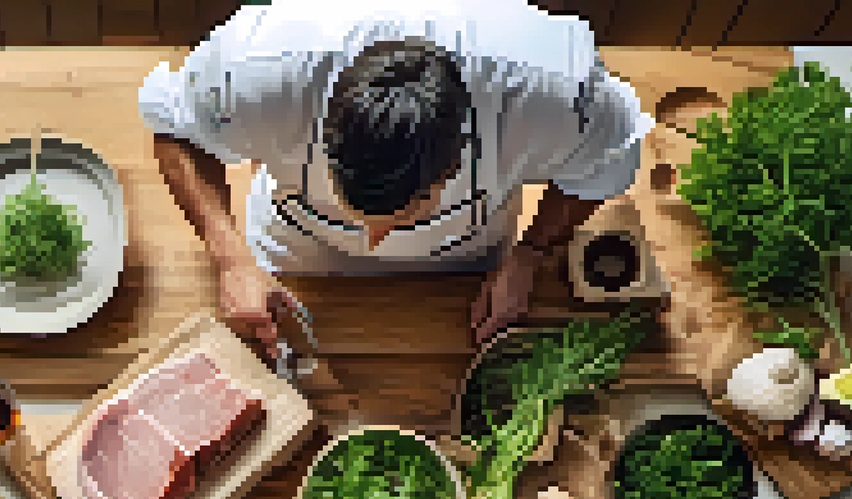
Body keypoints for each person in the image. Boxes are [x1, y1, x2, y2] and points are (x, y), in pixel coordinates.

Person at [137, 0, 653, 352]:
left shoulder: (552, 91)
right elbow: (176, 131)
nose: (375, 240)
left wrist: (529, 255)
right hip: (293, 252)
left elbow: (604, 161)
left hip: (467, 262)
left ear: (453, 165)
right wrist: (231, 260)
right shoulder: (256, 69)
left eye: (403, 216)